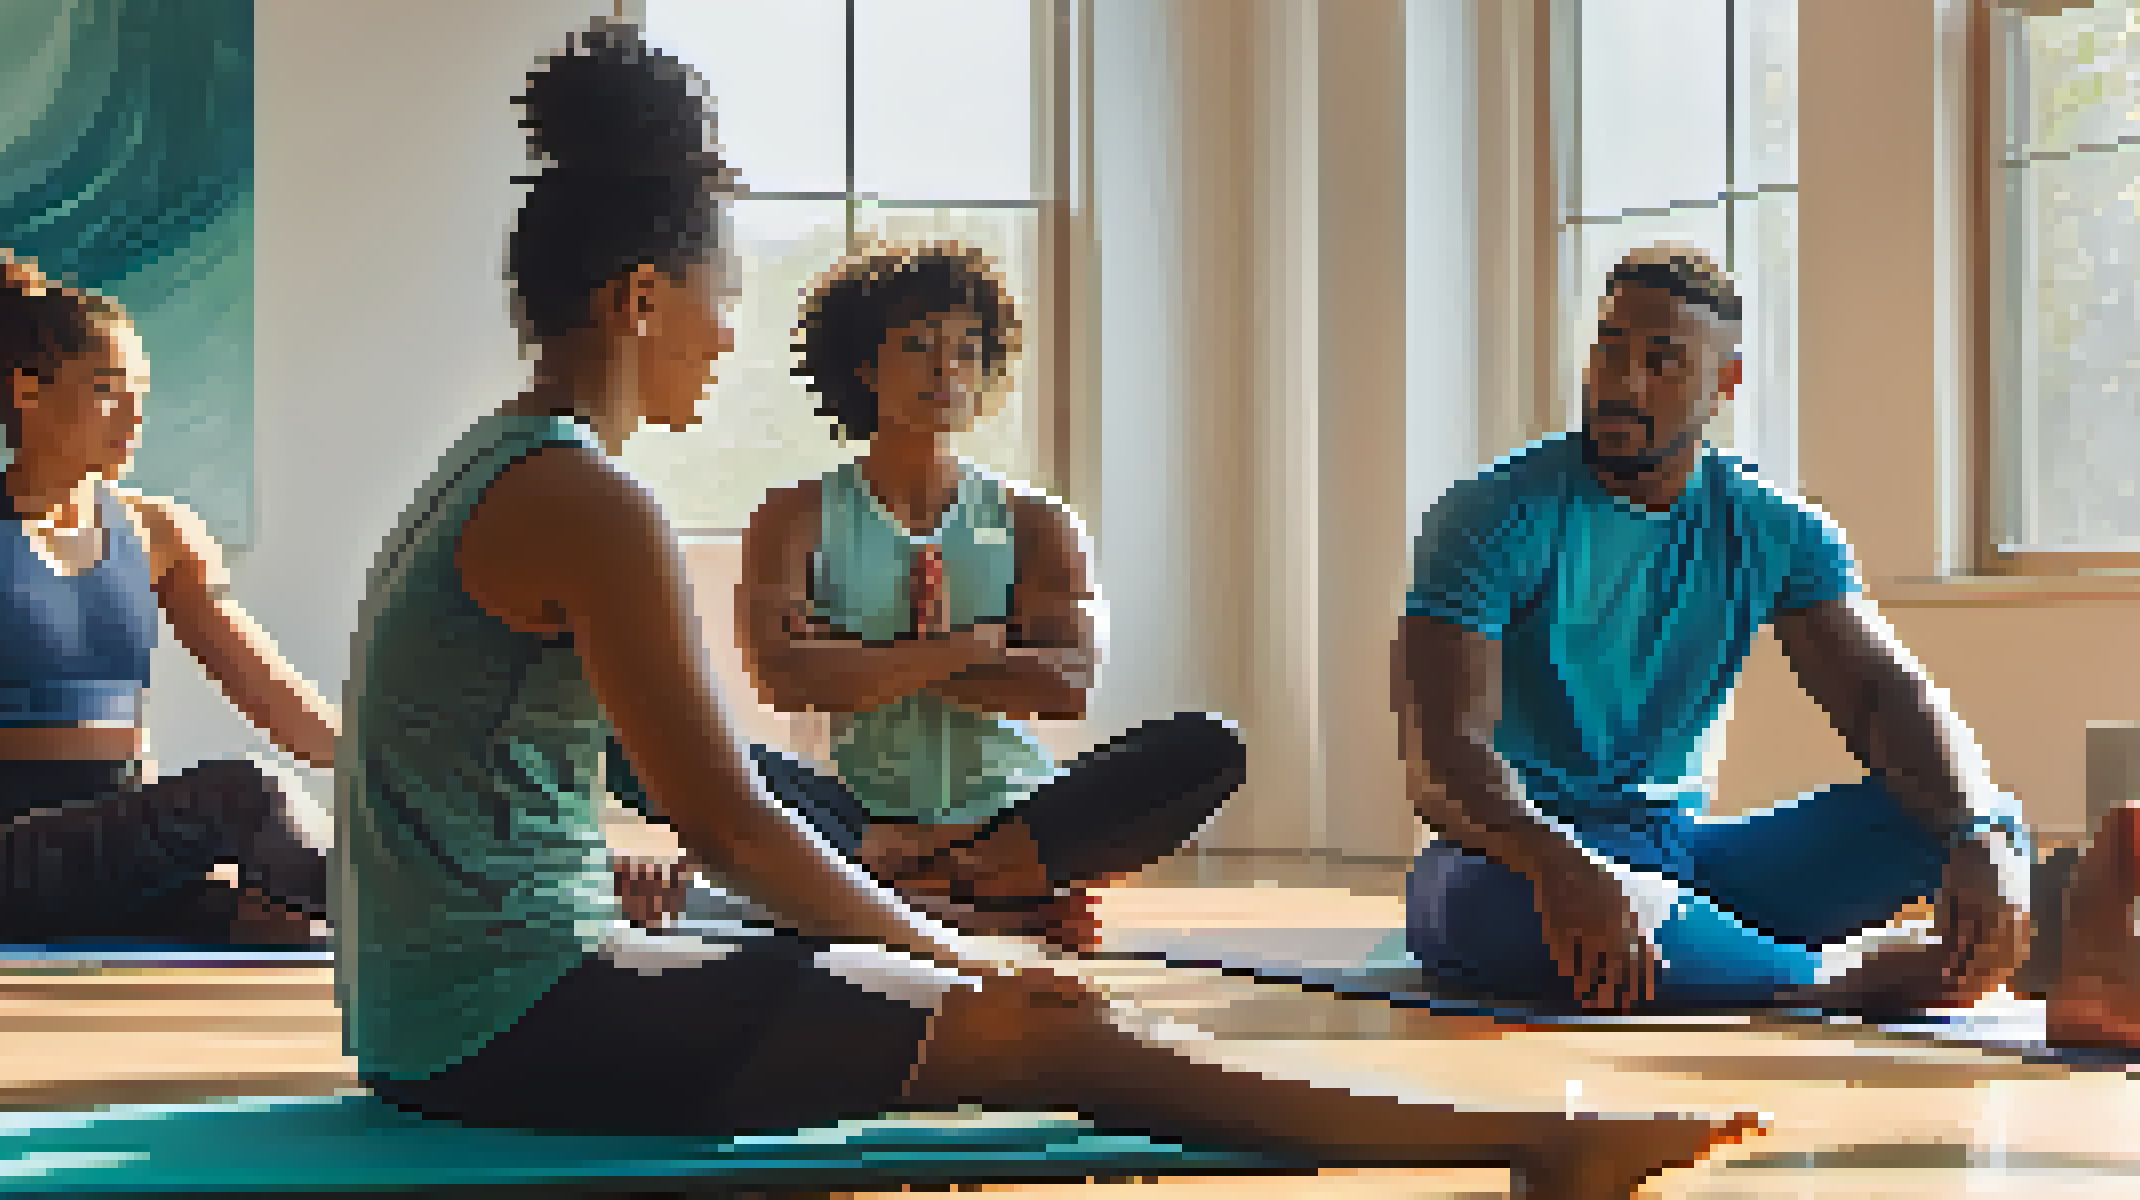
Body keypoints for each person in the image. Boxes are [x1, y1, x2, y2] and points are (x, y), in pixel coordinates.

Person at [339, 22, 1764, 1197]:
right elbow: (724, 818)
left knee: (880, 962)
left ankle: (1489, 1128)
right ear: (643, 297)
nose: (727, 333)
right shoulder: (593, 503)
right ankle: (1530, 1142)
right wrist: (959, 961)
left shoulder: (497, 469)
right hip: (508, 1023)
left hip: (454, 1011)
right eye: (719, 298)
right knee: (1035, 1031)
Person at [1393, 242, 2140, 1050]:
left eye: (1663, 361)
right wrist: (1557, 860)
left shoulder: (1776, 529)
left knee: (1966, 812)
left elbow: (1889, 699)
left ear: (1723, 384)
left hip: (1687, 864)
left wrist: (1981, 834)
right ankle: (1831, 980)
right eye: (1610, 347)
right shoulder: (1490, 515)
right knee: (1464, 904)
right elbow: (1443, 760)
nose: (1623, 380)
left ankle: (2081, 964)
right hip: (1519, 862)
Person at [706, 240, 1242, 951]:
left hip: (1016, 814)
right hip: (859, 815)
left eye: (965, 349)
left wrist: (858, 660)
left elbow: (1065, 686)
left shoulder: (1038, 523)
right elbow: (784, 678)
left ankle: (949, 878)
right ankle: (985, 899)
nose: (945, 370)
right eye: (918, 346)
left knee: (1208, 746)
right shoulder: (795, 516)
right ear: (865, 366)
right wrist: (976, 643)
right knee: (676, 757)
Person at [0, 254, 334, 947]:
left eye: (140, 393)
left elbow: (275, 702)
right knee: (243, 792)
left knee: (281, 918)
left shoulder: (165, 535)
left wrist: (397, 759)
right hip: (9, 865)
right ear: (28, 390)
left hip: (128, 859)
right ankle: (430, 920)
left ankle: (427, 914)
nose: (133, 415)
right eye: (107, 388)